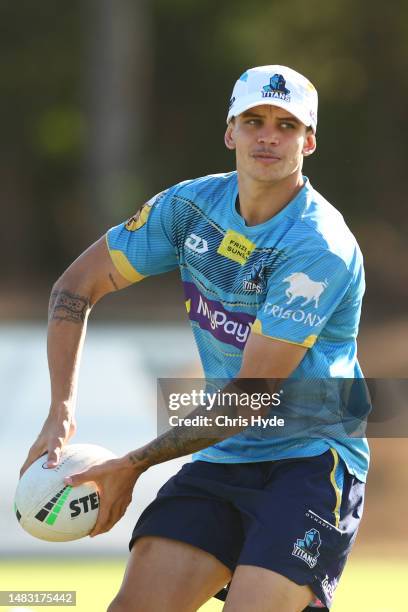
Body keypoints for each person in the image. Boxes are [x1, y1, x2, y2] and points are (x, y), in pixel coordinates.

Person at [21, 65, 369, 612]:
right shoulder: (189, 208)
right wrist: (59, 409)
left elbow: (252, 394)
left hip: (311, 461)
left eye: (287, 125)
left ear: (310, 141)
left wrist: (132, 464)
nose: (268, 136)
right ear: (230, 131)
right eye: (254, 120)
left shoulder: (317, 245)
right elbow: (75, 287)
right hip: (225, 455)